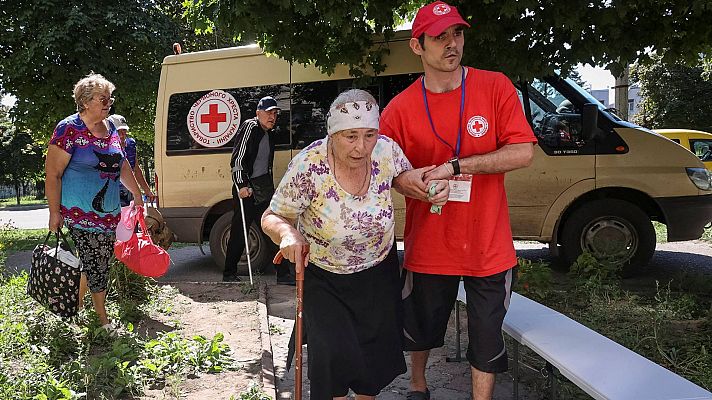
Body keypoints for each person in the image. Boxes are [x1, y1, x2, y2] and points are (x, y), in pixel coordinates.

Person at [379, 2, 537, 399]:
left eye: (458, 34)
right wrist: (408, 181)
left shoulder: (495, 86)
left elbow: (523, 152)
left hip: (488, 245)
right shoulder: (399, 109)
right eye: (440, 37)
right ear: (417, 47)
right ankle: (418, 387)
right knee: (420, 328)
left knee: (486, 338)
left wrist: (457, 165)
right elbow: (384, 170)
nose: (452, 44)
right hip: (429, 245)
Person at [261, 89, 449, 400]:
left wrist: (427, 189)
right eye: (350, 136)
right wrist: (287, 234)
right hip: (325, 276)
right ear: (332, 132)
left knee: (371, 361)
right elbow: (273, 215)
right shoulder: (309, 165)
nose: (361, 147)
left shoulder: (386, 150)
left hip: (378, 271)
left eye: (369, 135)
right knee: (333, 356)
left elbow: (402, 179)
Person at [45, 73, 144, 333]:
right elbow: (53, 174)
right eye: (103, 98)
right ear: (86, 101)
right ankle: (103, 322)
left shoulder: (111, 128)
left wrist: (137, 194)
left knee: (94, 261)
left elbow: (122, 165)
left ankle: (74, 307)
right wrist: (54, 213)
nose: (108, 102)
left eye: (110, 98)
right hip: (79, 211)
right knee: (97, 262)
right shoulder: (68, 129)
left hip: (108, 212)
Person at [224, 96, 293, 283]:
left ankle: (283, 274)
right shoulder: (250, 127)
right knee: (240, 231)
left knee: (272, 228)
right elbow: (237, 160)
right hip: (246, 189)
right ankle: (229, 274)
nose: (273, 116)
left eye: (275, 113)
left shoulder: (269, 134)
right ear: (258, 113)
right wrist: (241, 185)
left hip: (262, 189)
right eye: (269, 112)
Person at [107, 114, 156, 206]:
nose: (122, 135)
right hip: (111, 193)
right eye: (118, 131)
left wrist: (147, 191)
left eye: (124, 130)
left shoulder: (131, 144)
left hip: (129, 192)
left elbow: (136, 169)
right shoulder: (103, 147)